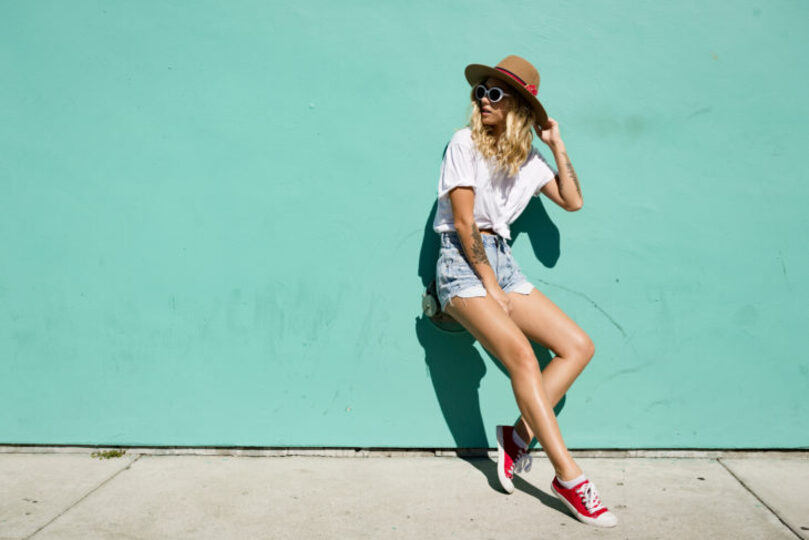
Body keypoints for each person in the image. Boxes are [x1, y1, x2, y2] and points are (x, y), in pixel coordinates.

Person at [432, 55, 618, 528]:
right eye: (481, 92)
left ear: (518, 105)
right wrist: (489, 286)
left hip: (504, 263)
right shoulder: (462, 143)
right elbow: (462, 221)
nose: (483, 100)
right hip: (461, 261)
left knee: (578, 347)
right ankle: (569, 477)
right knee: (522, 356)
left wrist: (556, 144)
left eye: (495, 93)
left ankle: (516, 439)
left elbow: (573, 201)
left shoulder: (529, 159)